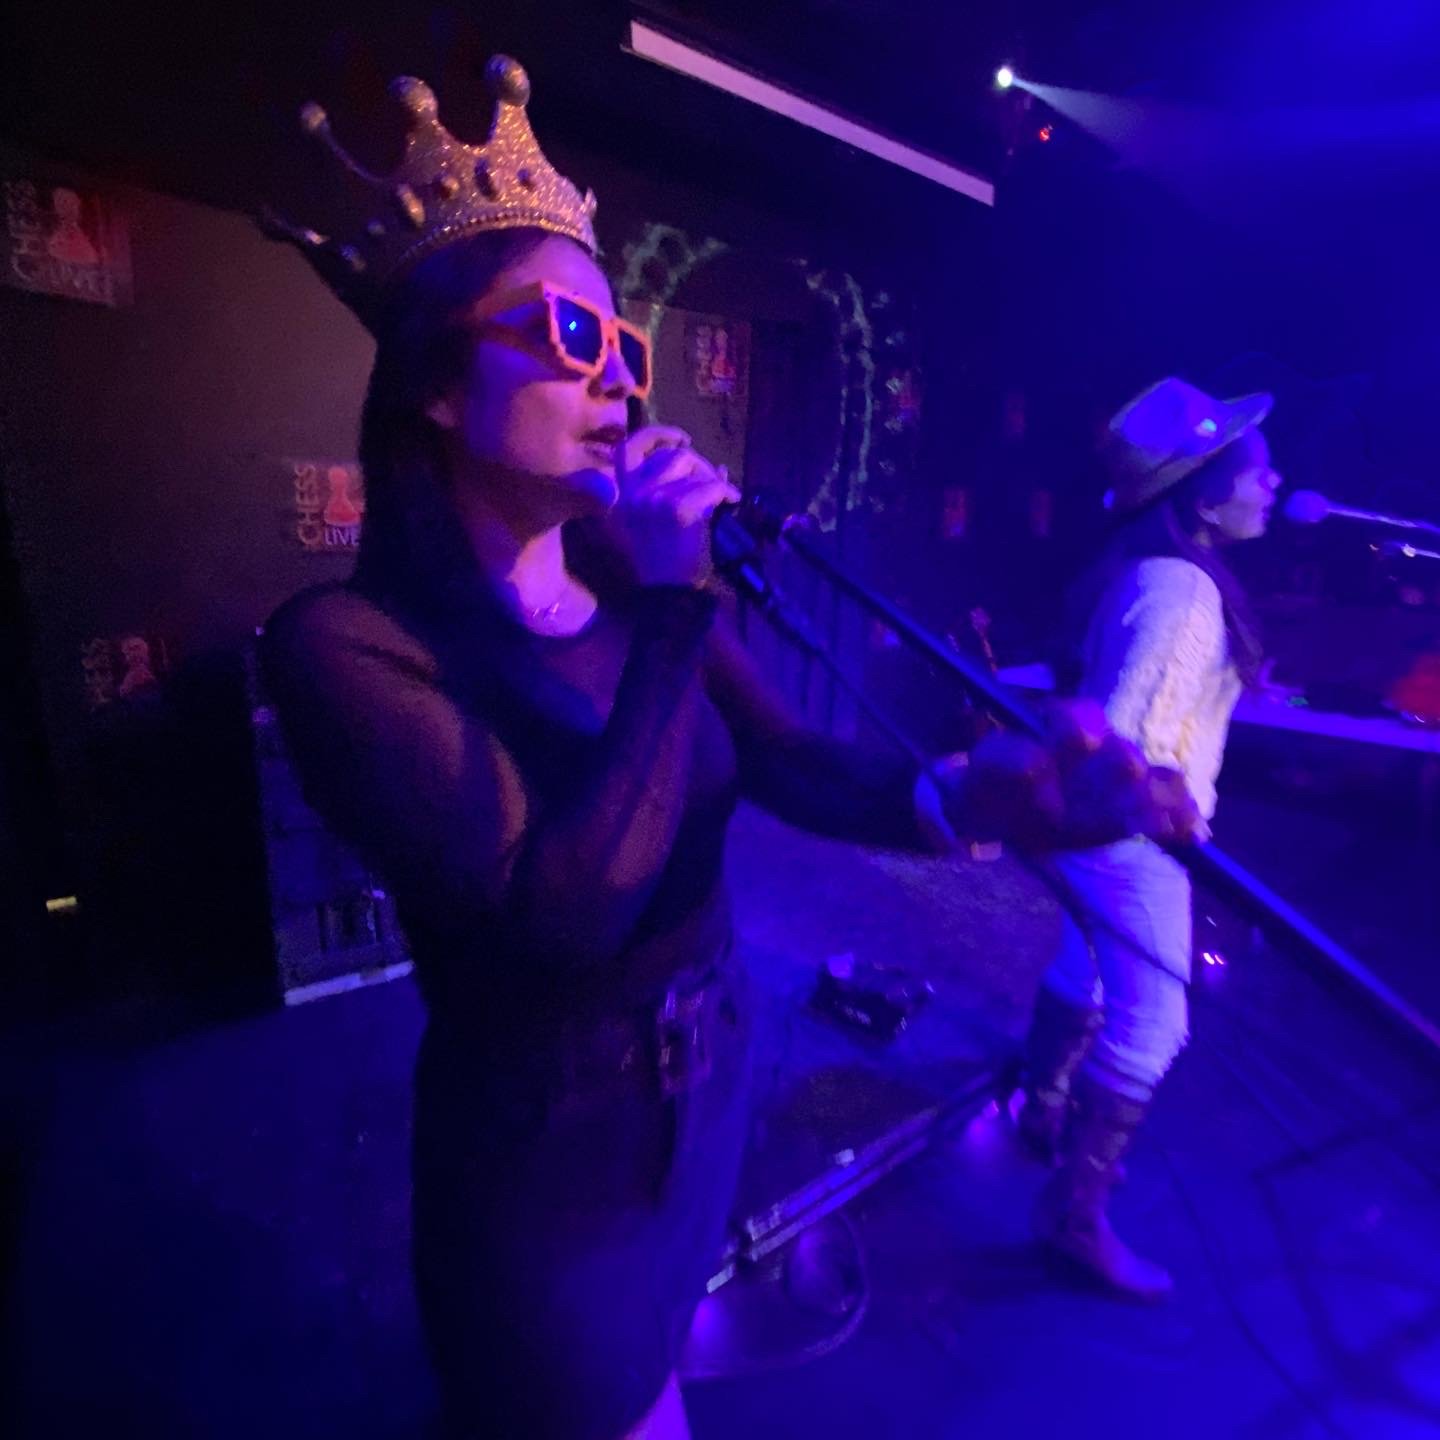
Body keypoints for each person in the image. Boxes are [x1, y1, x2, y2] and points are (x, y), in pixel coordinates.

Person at [260, 59, 1197, 1439]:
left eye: (623, 347)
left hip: (707, 1086)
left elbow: (790, 761)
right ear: (439, 388)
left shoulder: (621, 585)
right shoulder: (349, 646)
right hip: (544, 1160)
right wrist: (671, 605)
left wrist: (985, 798)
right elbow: (563, 914)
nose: (616, 379)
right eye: (567, 335)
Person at [1016, 377, 1282, 1299]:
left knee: (1085, 969)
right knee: (1156, 1023)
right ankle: (1072, 1214)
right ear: (1203, 495)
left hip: (1096, 832)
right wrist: (1171, 814)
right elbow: (1130, 741)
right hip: (1134, 842)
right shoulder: (1183, 593)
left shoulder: (1153, 570)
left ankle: (1043, 1107)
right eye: (1257, 470)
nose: (1273, 483)